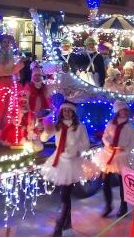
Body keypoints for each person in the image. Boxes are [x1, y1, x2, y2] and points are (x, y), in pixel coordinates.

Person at [40, 100, 98, 236]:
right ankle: (68, 222)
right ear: (61, 112)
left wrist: (75, 149)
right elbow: (43, 139)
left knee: (65, 197)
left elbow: (85, 144)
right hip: (59, 162)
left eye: (69, 110)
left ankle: (58, 228)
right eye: (64, 110)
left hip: (72, 164)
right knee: (65, 196)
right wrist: (44, 127)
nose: (66, 113)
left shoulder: (80, 127)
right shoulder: (58, 126)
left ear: (73, 112)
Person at [93, 100, 134, 218]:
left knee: (123, 182)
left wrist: (125, 149)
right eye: (122, 110)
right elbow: (105, 136)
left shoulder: (129, 126)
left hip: (121, 156)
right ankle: (108, 205)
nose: (125, 112)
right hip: (108, 155)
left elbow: (133, 142)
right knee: (105, 181)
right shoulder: (110, 124)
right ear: (118, 111)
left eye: (126, 111)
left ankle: (123, 206)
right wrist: (108, 144)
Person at [0, 34, 25, 130]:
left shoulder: (10, 54)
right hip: (1, 81)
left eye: (8, 42)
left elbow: (12, 69)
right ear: (1, 43)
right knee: (0, 105)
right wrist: (3, 67)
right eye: (4, 42)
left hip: (9, 80)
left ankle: (2, 127)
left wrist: (20, 64)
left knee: (7, 105)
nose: (6, 44)